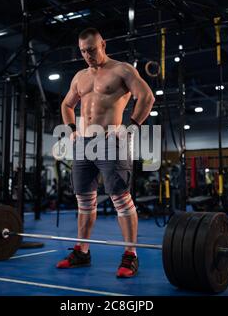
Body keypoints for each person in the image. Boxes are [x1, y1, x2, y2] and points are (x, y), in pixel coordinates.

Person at [58, 27, 155, 278]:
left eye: (91, 49)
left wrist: (131, 128)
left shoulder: (122, 70)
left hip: (112, 141)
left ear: (103, 44)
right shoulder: (80, 76)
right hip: (84, 144)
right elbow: (67, 104)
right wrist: (71, 130)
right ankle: (82, 251)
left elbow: (146, 97)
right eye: (82, 51)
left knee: (120, 198)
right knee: (84, 199)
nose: (87, 55)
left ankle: (130, 255)